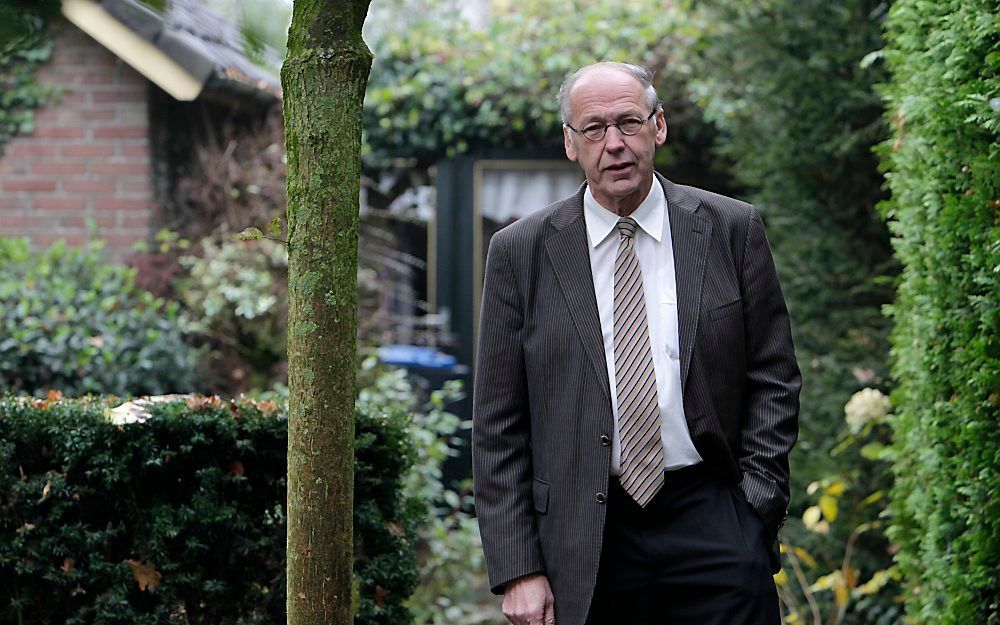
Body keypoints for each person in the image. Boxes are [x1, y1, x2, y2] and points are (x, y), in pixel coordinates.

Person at [471, 61, 801, 625]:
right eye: (594, 129)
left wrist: (754, 507)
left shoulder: (730, 228)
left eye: (628, 122)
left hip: (714, 516)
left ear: (659, 126)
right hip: (584, 537)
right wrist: (519, 568)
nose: (614, 144)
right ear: (571, 145)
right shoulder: (519, 252)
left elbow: (773, 374)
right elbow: (498, 421)